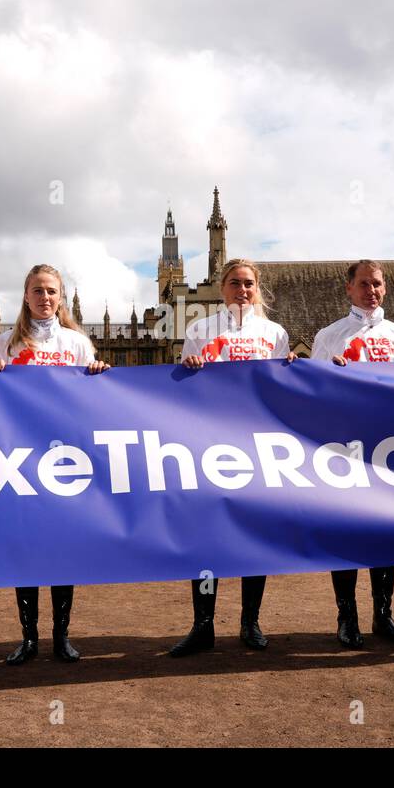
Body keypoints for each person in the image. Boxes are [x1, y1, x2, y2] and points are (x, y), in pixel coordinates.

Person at [0, 264, 109, 665]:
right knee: (26, 551)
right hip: (18, 459)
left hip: (66, 459)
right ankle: (29, 639)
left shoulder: (77, 344)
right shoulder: (4, 344)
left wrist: (100, 375)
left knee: (62, 550)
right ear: (26, 295)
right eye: (37, 290)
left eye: (51, 291)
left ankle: (61, 637)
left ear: (61, 297)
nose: (45, 297)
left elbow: (92, 402)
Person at [169, 258, 296, 657]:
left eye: (248, 284)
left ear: (257, 289)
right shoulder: (199, 329)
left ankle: (250, 622)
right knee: (207, 538)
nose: (242, 290)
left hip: (258, 445)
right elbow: (184, 393)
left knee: (254, 536)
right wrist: (187, 368)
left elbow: (281, 392)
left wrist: (291, 370)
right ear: (221, 288)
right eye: (235, 283)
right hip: (211, 445)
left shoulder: (274, 333)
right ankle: (202, 624)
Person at [309, 259, 394, 648]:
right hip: (345, 447)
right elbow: (312, 392)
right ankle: (347, 616)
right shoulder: (330, 335)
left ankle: (383, 616)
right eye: (364, 284)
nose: (371, 291)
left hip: (390, 447)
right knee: (349, 532)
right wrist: (331, 374)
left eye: (377, 284)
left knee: (386, 532)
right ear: (349, 289)